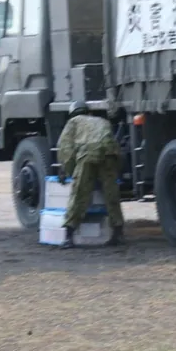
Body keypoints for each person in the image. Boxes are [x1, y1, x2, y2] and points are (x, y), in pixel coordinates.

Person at [56, 101, 126, 249]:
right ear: (88, 112)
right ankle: (118, 233)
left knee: (79, 194)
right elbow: (115, 145)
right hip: (109, 154)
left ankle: (69, 236)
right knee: (111, 194)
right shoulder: (102, 121)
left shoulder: (73, 122)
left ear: (73, 113)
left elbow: (65, 148)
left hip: (88, 154)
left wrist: (67, 171)